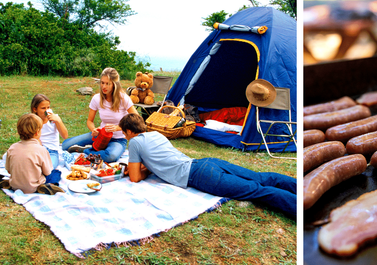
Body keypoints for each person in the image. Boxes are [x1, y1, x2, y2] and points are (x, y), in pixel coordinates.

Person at [118, 113, 297, 219]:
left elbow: (134, 178)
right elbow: (161, 159)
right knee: (261, 178)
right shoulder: (155, 134)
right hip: (207, 162)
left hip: (199, 175)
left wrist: (140, 170)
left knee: (257, 190)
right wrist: (148, 166)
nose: (125, 137)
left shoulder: (134, 143)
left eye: (125, 134)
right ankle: (303, 188)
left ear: (129, 131)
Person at [62, 67, 138, 162]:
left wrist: (117, 128)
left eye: (107, 84)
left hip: (118, 139)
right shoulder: (96, 98)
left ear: (114, 84)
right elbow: (90, 121)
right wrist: (93, 129)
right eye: (102, 83)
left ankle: (85, 150)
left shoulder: (123, 98)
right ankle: (96, 149)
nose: (104, 87)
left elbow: (136, 119)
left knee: (111, 156)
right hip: (100, 135)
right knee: (65, 145)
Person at [3, 114, 64, 194]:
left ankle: (11, 183)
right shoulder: (41, 149)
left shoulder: (12, 148)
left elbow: (9, 170)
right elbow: (47, 172)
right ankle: (48, 185)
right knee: (56, 173)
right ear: (37, 132)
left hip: (15, 185)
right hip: (34, 186)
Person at [30, 94, 70, 169]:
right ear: (35, 109)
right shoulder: (32, 121)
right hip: (37, 149)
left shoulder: (54, 119)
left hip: (52, 151)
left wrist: (59, 121)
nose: (46, 111)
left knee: (48, 168)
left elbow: (65, 136)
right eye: (43, 108)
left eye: (48, 107)